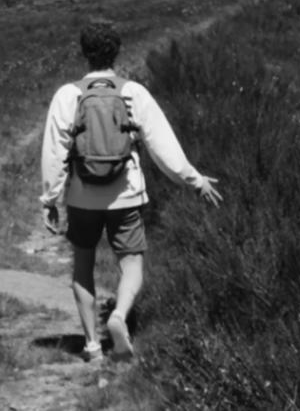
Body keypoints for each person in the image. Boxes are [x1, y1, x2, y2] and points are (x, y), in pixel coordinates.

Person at [39, 21, 223, 363]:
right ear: (117, 51)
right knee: (132, 264)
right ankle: (120, 316)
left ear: (84, 53)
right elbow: (163, 147)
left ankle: (92, 347)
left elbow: (54, 152)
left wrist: (51, 199)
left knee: (83, 265)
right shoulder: (133, 93)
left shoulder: (68, 95)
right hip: (126, 194)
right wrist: (195, 180)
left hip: (81, 197)